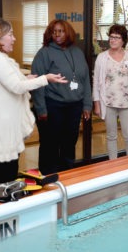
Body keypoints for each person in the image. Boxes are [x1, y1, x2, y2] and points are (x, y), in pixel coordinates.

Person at [0, 18, 67, 187]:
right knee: (3, 174)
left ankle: (5, 207)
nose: (14, 38)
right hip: (0, 124)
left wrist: (27, 78)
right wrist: (45, 78)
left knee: (6, 170)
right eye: (10, 34)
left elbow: (7, 82)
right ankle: (2, 208)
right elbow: (16, 87)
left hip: (3, 123)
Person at [31, 19, 92, 175]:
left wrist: (87, 105)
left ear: (68, 33)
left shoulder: (77, 52)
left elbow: (85, 80)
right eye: (54, 31)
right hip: (53, 106)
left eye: (61, 31)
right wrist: (41, 109)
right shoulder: (44, 53)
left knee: (69, 144)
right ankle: (48, 178)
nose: (57, 34)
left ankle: (67, 176)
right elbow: (37, 83)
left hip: (74, 107)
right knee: (50, 145)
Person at [93, 24, 128, 160]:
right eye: (111, 37)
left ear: (123, 40)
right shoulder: (102, 57)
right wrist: (96, 104)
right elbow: (96, 81)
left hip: (127, 102)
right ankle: (112, 165)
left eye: (116, 37)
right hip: (108, 102)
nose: (112, 40)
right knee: (111, 136)